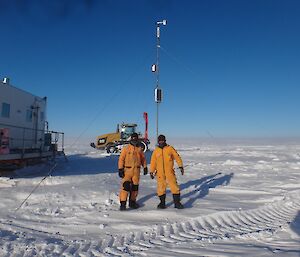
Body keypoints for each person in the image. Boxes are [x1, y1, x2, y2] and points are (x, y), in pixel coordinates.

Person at [150, 134, 185, 209]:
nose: (161, 142)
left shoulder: (170, 148)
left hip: (169, 172)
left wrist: (180, 166)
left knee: (174, 187)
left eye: (163, 140)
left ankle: (177, 203)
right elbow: (153, 162)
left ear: (165, 141)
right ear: (158, 141)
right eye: (160, 140)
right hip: (160, 173)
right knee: (161, 188)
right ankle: (162, 203)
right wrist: (151, 171)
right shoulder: (156, 151)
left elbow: (177, 157)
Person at [118, 133, 148, 210]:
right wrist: (120, 169)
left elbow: (143, 159)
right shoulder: (126, 148)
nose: (134, 140)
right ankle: (123, 204)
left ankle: (132, 203)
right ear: (131, 139)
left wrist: (145, 167)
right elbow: (121, 159)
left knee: (135, 188)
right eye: (133, 138)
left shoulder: (139, 149)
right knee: (125, 187)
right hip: (127, 171)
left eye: (136, 139)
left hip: (136, 172)